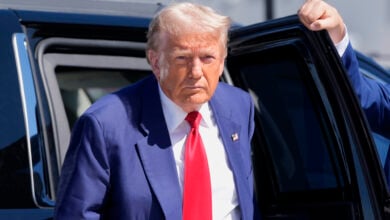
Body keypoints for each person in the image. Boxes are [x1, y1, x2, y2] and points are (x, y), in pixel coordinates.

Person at [54, 0, 354, 219]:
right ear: (156, 62)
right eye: (183, 58)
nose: (197, 71)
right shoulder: (107, 123)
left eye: (208, 58)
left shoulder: (239, 106)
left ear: (223, 61)